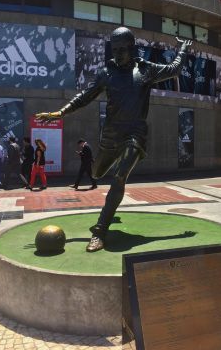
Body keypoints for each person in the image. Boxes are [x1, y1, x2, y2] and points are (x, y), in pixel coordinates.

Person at [36, 26, 192, 252]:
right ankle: (104, 176)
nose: (117, 54)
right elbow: (84, 97)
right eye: (114, 49)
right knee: (98, 172)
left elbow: (174, 70)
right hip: (110, 136)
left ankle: (100, 232)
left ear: (132, 48)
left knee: (119, 177)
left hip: (135, 134)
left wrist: (183, 50)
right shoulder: (106, 74)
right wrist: (60, 113)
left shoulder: (146, 70)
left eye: (122, 49)